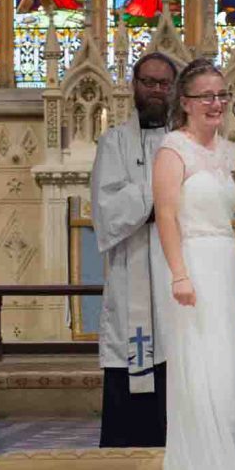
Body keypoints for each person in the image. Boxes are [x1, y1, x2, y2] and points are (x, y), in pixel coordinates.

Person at [59, 59, 235, 470]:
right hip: (178, 275)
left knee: (224, 387)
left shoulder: (221, 150)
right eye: (205, 95)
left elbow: (219, 219)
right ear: (184, 100)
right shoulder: (153, 148)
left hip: (217, 272)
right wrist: (181, 270)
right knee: (197, 386)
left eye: (222, 94)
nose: (216, 103)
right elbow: (157, 213)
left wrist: (234, 276)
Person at [91, 52, 177, 448]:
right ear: (134, 85)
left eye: (163, 83)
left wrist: (148, 200)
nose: (156, 90)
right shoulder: (113, 143)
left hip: (176, 274)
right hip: (133, 271)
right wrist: (158, 196)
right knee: (132, 355)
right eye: (149, 82)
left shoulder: (183, 143)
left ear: (175, 89)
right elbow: (107, 210)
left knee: (177, 363)